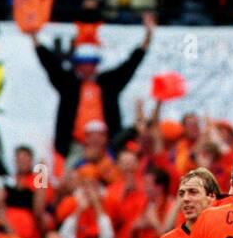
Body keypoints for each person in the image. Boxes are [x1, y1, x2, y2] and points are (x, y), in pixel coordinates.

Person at [30, 14, 156, 158]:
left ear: (96, 64)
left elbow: (131, 65)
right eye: (82, 63)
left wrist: (148, 36)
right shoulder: (68, 84)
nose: (86, 68)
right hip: (76, 146)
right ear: (77, 65)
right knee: (71, 175)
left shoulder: (109, 83)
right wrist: (33, 36)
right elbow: (50, 65)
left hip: (108, 147)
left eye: (90, 63)